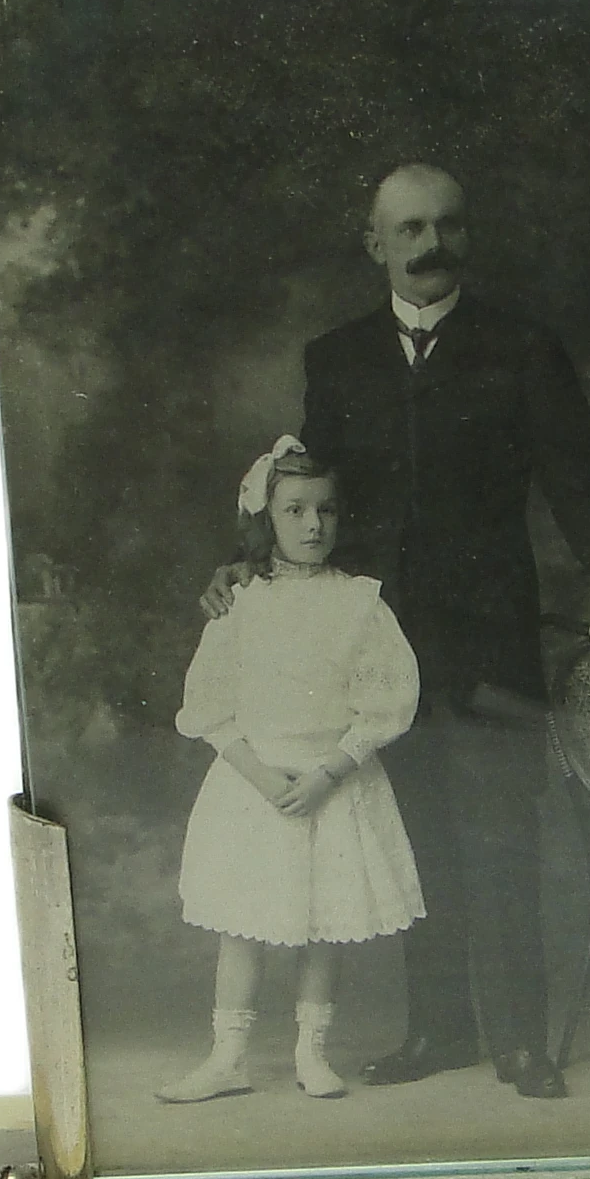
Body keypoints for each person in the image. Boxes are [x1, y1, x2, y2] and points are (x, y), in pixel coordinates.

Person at [287, 163, 590, 1099]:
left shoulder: (523, 349)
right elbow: (314, 494)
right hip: (380, 648)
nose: (432, 245)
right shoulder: (336, 358)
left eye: (449, 225)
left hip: (490, 640)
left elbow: (580, 481)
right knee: (417, 833)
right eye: (411, 229)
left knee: (504, 835)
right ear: (376, 244)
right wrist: (249, 564)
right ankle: (440, 1031)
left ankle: (520, 1043)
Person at [159, 437, 426, 1104]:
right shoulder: (241, 600)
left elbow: (385, 704)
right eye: (295, 510)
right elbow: (210, 705)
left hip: (331, 781)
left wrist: (330, 773)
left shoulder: (360, 603)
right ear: (266, 519)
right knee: (243, 926)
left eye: (326, 510)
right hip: (255, 784)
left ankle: (312, 1051)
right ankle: (228, 1057)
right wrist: (261, 777)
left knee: (322, 924)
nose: (313, 525)